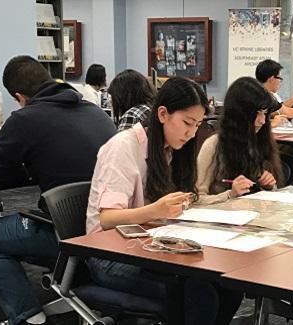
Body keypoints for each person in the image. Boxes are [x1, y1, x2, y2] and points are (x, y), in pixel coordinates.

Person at [0, 56, 116, 325]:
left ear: (19, 96)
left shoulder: (25, 118)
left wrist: (29, 169)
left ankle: (28, 317)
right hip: (110, 230)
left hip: (66, 232)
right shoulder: (95, 112)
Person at [87, 77, 242, 324]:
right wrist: (156, 210)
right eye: (187, 123)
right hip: (110, 256)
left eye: (197, 125)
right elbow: (107, 218)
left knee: (229, 287)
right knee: (199, 296)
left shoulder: (169, 149)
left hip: (151, 246)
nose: (192, 133)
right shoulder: (123, 147)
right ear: (162, 114)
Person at [196, 77, 281, 203]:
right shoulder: (213, 145)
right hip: (223, 214)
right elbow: (196, 199)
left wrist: (269, 186)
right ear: (240, 114)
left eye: (265, 113)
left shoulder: (260, 141)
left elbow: (267, 193)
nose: (262, 121)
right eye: (257, 113)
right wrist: (230, 195)